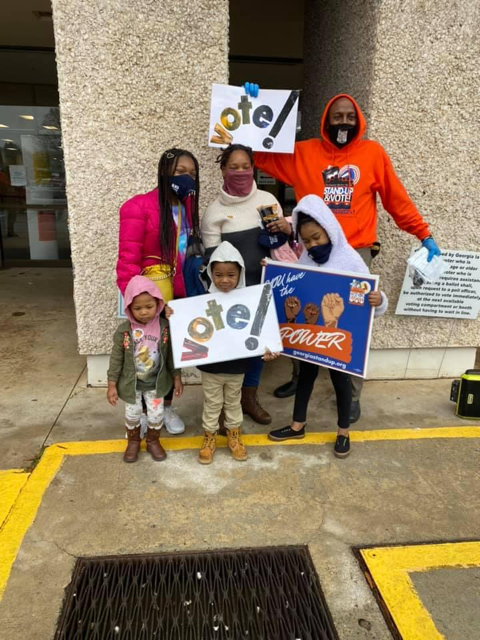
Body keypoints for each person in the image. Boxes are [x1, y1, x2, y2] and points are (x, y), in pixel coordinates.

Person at [244, 84, 440, 422]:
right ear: (326, 121)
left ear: (359, 120)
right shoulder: (305, 153)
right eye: (337, 117)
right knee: (303, 313)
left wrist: (423, 233)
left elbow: (396, 199)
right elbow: (258, 155)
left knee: (353, 324)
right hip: (312, 250)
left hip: (355, 253)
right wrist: (250, 109)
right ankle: (298, 377)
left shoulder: (373, 154)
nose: (343, 122)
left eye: (350, 116)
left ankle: (350, 395)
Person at [268, 194, 388, 458]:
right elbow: (298, 287)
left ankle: (343, 432)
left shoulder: (350, 259)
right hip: (313, 336)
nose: (312, 245)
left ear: (330, 230)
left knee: (341, 382)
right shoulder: (306, 260)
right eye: (306, 240)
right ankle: (297, 425)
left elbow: (372, 299)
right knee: (305, 378)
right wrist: (274, 272)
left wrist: (378, 301)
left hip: (338, 338)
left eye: (317, 238)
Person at [201, 143, 292, 425]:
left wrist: (286, 229)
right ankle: (227, 401)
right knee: (234, 345)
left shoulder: (268, 201)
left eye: (245, 166)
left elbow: (284, 245)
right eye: (233, 166)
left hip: (263, 288)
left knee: (256, 346)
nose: (240, 172)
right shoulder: (213, 212)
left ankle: (249, 398)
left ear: (253, 168)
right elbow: (211, 262)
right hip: (232, 293)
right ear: (222, 169)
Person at [166, 241, 278, 465]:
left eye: (230, 274)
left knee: (233, 403)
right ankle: (210, 437)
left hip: (237, 368)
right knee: (212, 403)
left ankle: (234, 436)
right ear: (210, 273)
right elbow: (187, 320)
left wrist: (269, 346)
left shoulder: (249, 300)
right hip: (211, 368)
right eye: (218, 274)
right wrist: (172, 313)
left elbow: (258, 330)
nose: (224, 280)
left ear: (240, 274)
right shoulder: (201, 301)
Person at [116, 148, 201, 434]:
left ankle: (163, 408)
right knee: (143, 357)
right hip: (147, 303)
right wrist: (139, 307)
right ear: (163, 172)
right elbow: (127, 261)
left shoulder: (187, 207)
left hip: (177, 296)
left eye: (191, 172)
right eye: (179, 172)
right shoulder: (136, 207)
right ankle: (140, 412)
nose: (186, 177)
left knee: (168, 354)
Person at [107, 276, 182, 463]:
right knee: (132, 414)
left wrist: (177, 377)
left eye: (149, 306)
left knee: (156, 413)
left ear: (158, 303)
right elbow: (116, 359)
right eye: (137, 308)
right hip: (131, 384)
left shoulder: (164, 328)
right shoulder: (124, 331)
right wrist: (111, 384)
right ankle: (133, 441)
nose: (143, 312)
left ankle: (152, 441)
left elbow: (171, 355)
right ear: (128, 309)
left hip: (156, 383)